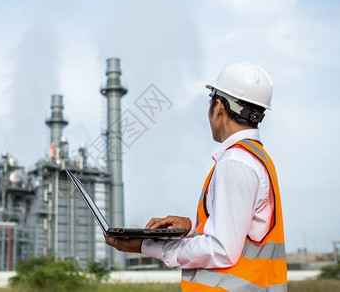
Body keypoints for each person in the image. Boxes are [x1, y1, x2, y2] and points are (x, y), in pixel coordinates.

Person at [105, 62, 287, 291]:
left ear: (219, 106)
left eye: (210, 100)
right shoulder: (257, 157)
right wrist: (193, 225)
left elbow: (221, 249)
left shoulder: (235, 162)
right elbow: (242, 229)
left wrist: (148, 246)